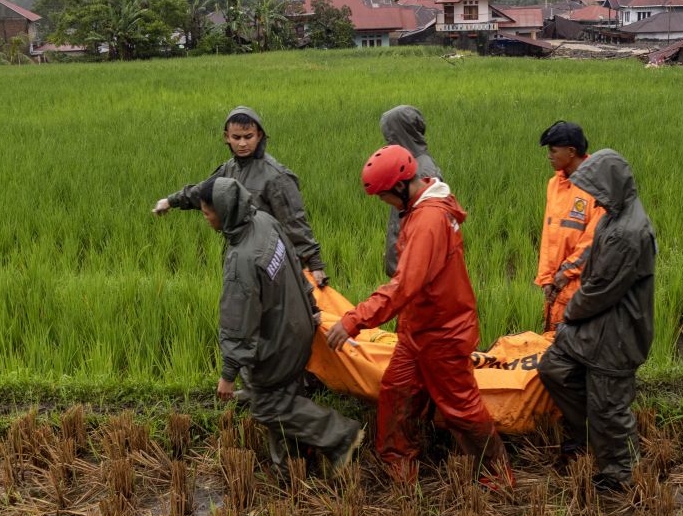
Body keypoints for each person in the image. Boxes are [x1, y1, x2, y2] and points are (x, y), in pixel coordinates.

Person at [326, 145, 513, 489]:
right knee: (397, 390)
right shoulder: (419, 207)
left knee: (460, 407)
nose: (383, 202)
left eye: (383, 195)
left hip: (443, 331)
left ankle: (497, 476)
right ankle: (398, 462)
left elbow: (403, 286)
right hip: (418, 327)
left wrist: (354, 319)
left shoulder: (427, 220)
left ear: (400, 187)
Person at [154, 175, 363, 474]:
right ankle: (293, 463)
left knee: (269, 405)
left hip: (279, 339)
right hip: (299, 323)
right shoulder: (263, 221)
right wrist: (312, 306)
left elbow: (238, 322)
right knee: (284, 392)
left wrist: (228, 374)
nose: (206, 217)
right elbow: (293, 261)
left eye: (206, 212)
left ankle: (342, 436)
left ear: (224, 212)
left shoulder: (242, 258)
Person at [538, 151, 656, 491]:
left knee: (610, 405)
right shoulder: (612, 216)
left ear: (611, 186)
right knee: (554, 369)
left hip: (617, 332)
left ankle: (620, 475)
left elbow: (601, 290)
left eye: (596, 188)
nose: (591, 195)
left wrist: (569, 315)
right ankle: (589, 434)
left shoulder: (628, 232)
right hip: (597, 325)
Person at [154, 106, 329, 286]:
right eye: (236, 138)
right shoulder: (229, 168)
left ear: (259, 135)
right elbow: (204, 191)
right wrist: (170, 201)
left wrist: (314, 264)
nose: (242, 143)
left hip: (270, 262)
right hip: (239, 258)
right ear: (227, 137)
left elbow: (295, 222)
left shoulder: (276, 176)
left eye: (248, 137)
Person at [536, 121, 606, 332]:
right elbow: (549, 235)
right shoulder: (553, 185)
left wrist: (565, 273)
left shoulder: (597, 185)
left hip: (581, 287)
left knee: (576, 349)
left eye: (553, 150)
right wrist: (547, 279)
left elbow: (594, 238)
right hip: (556, 289)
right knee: (553, 349)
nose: (549, 155)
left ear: (571, 151)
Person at [380, 105, 442, 278]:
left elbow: (424, 231)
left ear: (401, 133)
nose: (387, 140)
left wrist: (406, 269)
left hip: (413, 272)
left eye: (390, 134)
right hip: (406, 267)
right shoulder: (409, 165)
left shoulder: (421, 171)